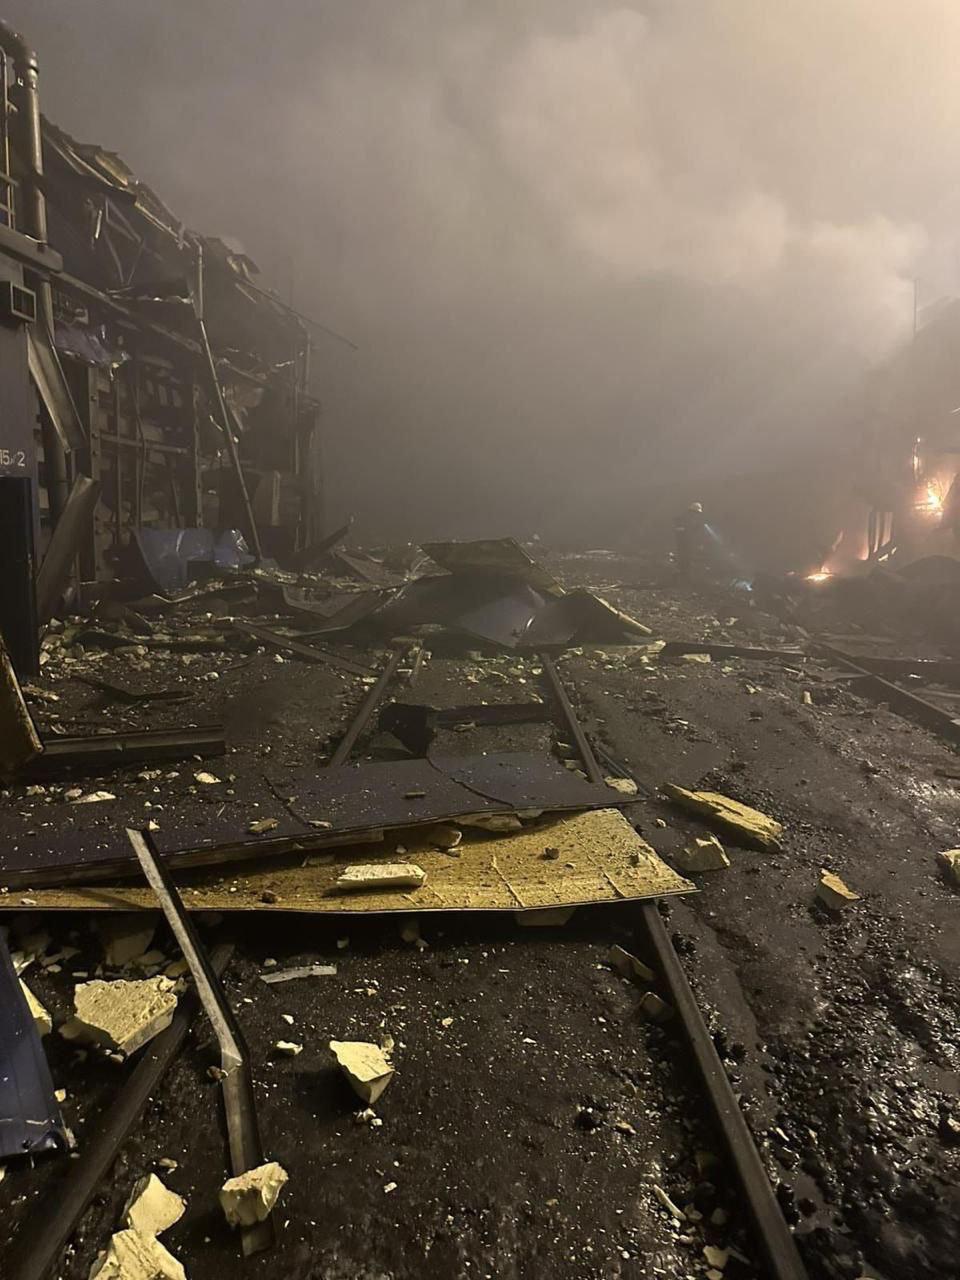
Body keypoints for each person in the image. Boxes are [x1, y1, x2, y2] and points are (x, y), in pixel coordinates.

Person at [674, 501, 708, 580]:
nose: (696, 514)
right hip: (683, 541)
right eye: (696, 512)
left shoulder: (692, 518)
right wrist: (685, 531)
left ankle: (685, 573)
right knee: (684, 556)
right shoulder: (684, 518)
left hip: (688, 540)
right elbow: (679, 529)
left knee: (687, 557)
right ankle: (683, 573)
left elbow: (693, 530)